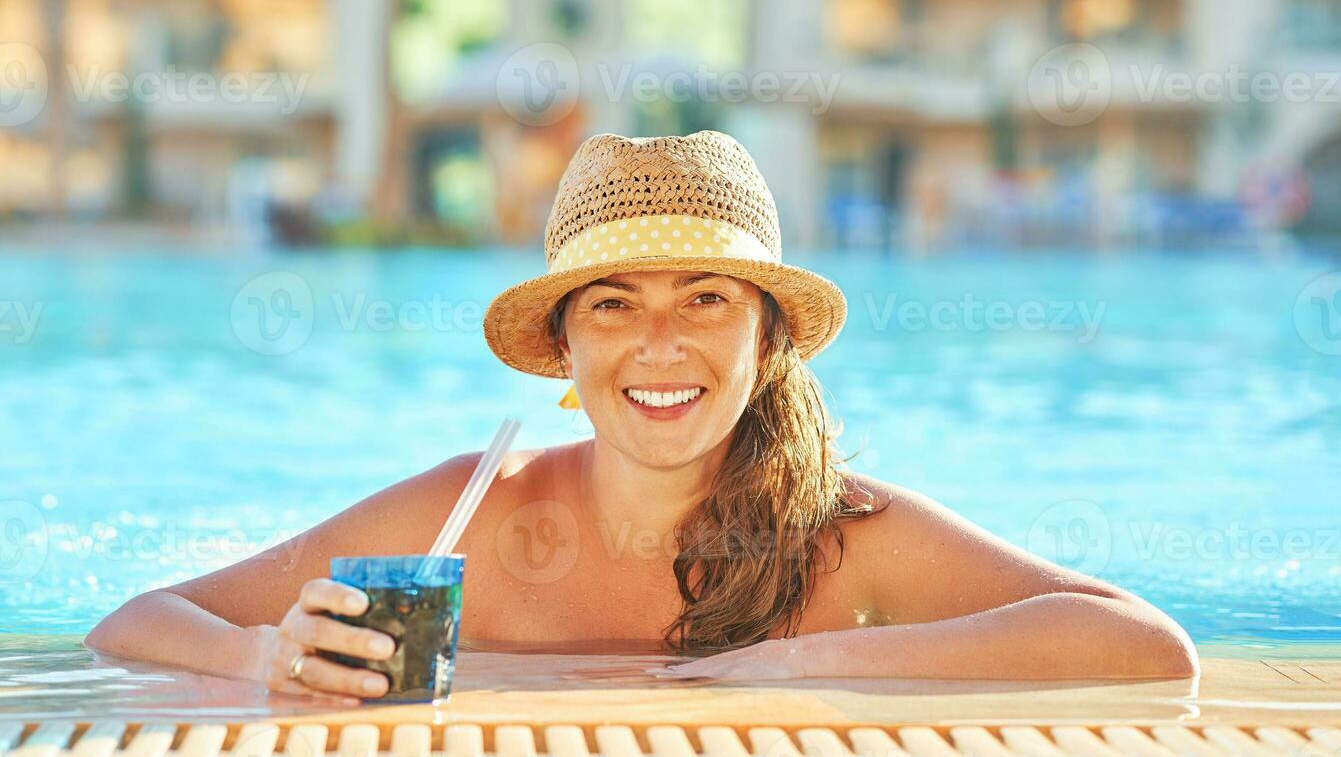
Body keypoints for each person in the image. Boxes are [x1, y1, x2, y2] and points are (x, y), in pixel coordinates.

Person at [85, 131, 1197, 702]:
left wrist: (794, 665)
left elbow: (1148, 648)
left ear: (767, 340)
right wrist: (263, 657)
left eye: (705, 298)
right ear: (564, 345)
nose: (658, 345)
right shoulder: (465, 511)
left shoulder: (841, 533)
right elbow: (137, 619)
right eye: (613, 303)